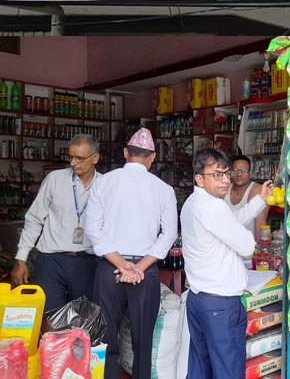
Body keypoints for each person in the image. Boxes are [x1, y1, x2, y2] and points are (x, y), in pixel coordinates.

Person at [84, 128, 178, 379]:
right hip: (145, 273)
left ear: (126, 153)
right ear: (153, 157)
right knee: (143, 342)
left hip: (109, 269)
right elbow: (169, 234)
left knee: (104, 338)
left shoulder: (103, 182)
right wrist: (138, 267)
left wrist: (120, 263)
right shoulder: (164, 189)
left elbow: (92, 228)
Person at [180, 148, 272, 379]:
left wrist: (260, 199)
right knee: (228, 370)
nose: (224, 180)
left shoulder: (193, 201)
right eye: (216, 175)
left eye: (226, 173)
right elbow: (246, 246)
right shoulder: (213, 206)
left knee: (201, 369)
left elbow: (231, 221)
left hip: (198, 299)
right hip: (220, 305)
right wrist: (246, 236)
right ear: (199, 179)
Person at [13, 134, 103, 315]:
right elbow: (34, 218)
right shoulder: (55, 179)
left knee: (83, 319)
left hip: (86, 263)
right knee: (50, 318)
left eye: (79, 158)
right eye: (71, 157)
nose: (73, 163)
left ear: (95, 158)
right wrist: (21, 258)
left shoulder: (105, 184)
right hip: (50, 262)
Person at [227, 155, 268, 233]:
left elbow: (260, 224)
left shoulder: (258, 190)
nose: (239, 174)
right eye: (235, 170)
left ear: (250, 174)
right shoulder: (224, 188)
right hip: (226, 239)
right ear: (230, 173)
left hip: (249, 240)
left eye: (244, 170)